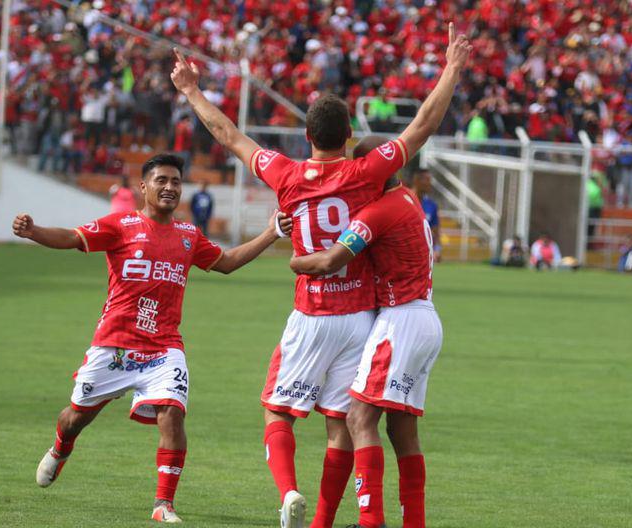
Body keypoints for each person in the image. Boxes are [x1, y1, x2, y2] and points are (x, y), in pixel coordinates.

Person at [169, 22, 470, 528]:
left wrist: (191, 90)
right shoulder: (367, 174)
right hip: (361, 318)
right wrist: (452, 68)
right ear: (349, 137)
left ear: (307, 136)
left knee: (277, 413)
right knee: (343, 427)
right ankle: (324, 520)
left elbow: (229, 135)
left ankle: (289, 493)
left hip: (312, 310)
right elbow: (421, 126)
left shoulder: (284, 172)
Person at [12, 153, 293, 524]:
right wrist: (35, 232)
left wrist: (271, 232)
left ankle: (163, 505)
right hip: (115, 346)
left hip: (164, 347)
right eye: (161, 180)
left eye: (176, 181)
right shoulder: (121, 225)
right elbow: (73, 238)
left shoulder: (189, 236)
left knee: (173, 416)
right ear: (144, 187)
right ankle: (61, 447)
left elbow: (226, 262)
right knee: (75, 418)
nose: (170, 187)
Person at [288, 135, 442, 528]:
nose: (356, 177)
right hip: (425, 318)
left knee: (358, 418)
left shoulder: (378, 211)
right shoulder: (408, 198)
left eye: (361, 168)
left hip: (400, 320)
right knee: (402, 429)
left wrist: (297, 261)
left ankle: (371, 521)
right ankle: (415, 523)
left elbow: (330, 261)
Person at [411, 169, 441, 262]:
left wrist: (437, 249)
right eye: (427, 180)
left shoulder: (432, 205)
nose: (430, 183)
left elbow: (435, 231)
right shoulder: (403, 199)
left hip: (424, 256)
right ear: (416, 180)